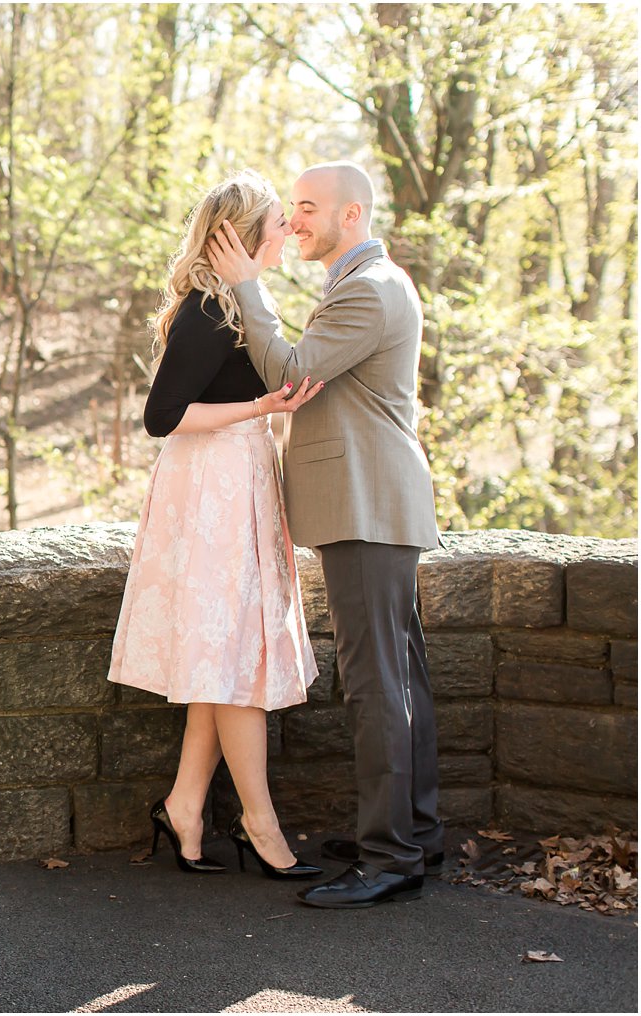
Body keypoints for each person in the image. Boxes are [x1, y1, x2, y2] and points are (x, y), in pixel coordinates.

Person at [206, 161, 443, 909]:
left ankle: (392, 856)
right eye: (293, 208)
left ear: (354, 216)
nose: (295, 220)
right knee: (399, 677)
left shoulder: (369, 291)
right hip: (369, 507)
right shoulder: (362, 285)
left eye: (308, 207)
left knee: (377, 685)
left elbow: (293, 375)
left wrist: (248, 286)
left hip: (368, 508)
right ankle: (414, 834)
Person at [107, 170, 323, 882]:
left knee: (223, 658)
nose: (288, 231)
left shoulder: (236, 302)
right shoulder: (209, 307)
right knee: (234, 667)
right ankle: (260, 825)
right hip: (211, 490)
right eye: (276, 221)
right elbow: (160, 418)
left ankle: (186, 806)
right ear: (237, 234)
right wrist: (262, 408)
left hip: (237, 477)